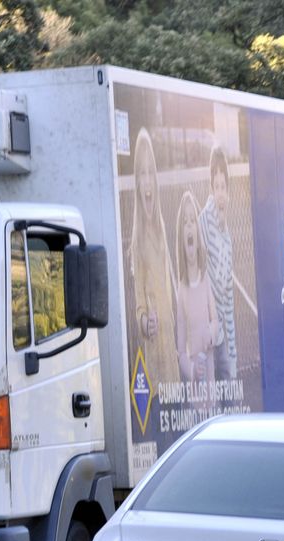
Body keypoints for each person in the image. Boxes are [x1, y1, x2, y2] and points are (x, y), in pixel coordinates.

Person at [129, 128, 179, 388]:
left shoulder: (161, 227)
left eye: (151, 172)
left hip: (172, 351)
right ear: (137, 181)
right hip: (155, 355)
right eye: (142, 174)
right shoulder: (137, 240)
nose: (147, 181)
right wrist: (144, 321)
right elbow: (139, 303)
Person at [199, 146, 237, 382]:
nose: (221, 193)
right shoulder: (205, 221)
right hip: (208, 329)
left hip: (224, 329)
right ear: (211, 188)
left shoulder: (226, 231)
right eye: (217, 187)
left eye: (224, 187)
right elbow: (214, 277)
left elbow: (228, 291)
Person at [173, 190, 215, 397]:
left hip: (211, 384)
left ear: (197, 234)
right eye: (185, 222)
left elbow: (216, 322)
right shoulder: (181, 290)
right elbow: (181, 352)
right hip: (196, 391)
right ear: (182, 238)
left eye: (193, 221)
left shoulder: (206, 279)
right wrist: (191, 370)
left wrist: (210, 332)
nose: (190, 225)